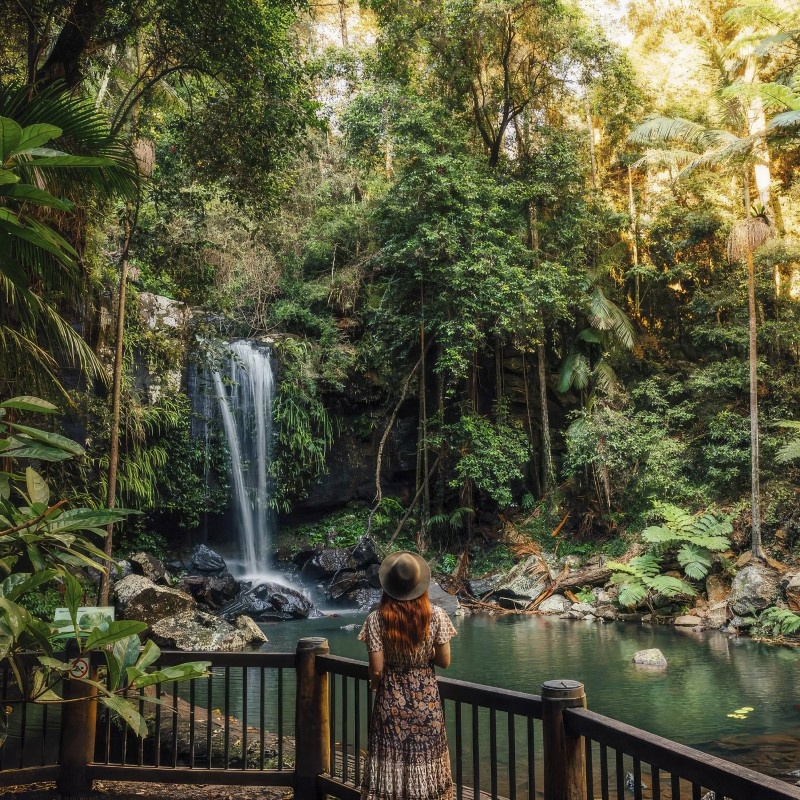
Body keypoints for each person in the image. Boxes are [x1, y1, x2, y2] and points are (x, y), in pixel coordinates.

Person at [358, 550, 457, 800]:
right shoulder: (437, 616)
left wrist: (374, 682)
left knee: (391, 760)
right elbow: (444, 661)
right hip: (427, 702)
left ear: (388, 586)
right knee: (425, 759)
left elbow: (377, 668)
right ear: (419, 585)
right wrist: (425, 654)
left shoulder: (376, 619)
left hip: (390, 701)